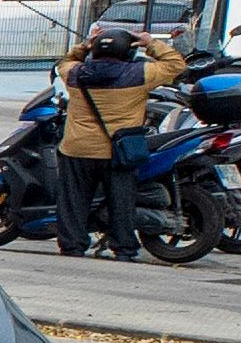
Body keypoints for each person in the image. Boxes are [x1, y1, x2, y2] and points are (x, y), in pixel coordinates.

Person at [56, 26, 187, 261]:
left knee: (73, 202)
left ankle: (72, 246)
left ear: (95, 51)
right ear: (127, 52)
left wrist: (85, 45)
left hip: (77, 148)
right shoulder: (140, 74)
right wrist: (149, 42)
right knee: (121, 203)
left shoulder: (75, 74)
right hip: (119, 152)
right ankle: (124, 249)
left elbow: (63, 63)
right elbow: (176, 65)